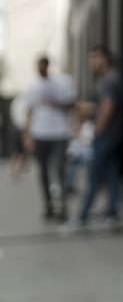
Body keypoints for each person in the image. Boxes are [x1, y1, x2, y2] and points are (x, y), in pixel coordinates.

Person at [22, 56, 77, 221]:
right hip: (40, 134)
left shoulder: (62, 82)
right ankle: (48, 205)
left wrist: (57, 103)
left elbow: (73, 104)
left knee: (60, 169)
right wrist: (27, 135)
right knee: (43, 172)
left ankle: (63, 206)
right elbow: (29, 111)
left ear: (47, 66)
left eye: (42, 66)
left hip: (59, 133)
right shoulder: (32, 87)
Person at [77, 45, 123, 227]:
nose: (92, 61)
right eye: (91, 57)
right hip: (111, 134)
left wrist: (98, 129)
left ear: (106, 58)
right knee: (111, 174)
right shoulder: (106, 80)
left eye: (96, 57)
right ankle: (111, 213)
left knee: (93, 174)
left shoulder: (110, 80)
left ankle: (82, 216)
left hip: (106, 134)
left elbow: (108, 105)